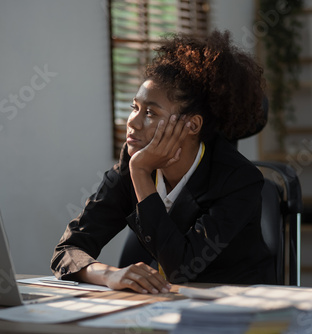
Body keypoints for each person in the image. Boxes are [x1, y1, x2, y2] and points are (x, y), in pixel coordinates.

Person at [51, 30, 275, 294]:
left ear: (192, 124)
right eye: (135, 107)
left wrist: (141, 173)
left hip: (236, 312)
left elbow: (182, 270)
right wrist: (108, 275)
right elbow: (66, 251)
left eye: (150, 112)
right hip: (164, 309)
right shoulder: (129, 166)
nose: (132, 122)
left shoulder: (237, 180)